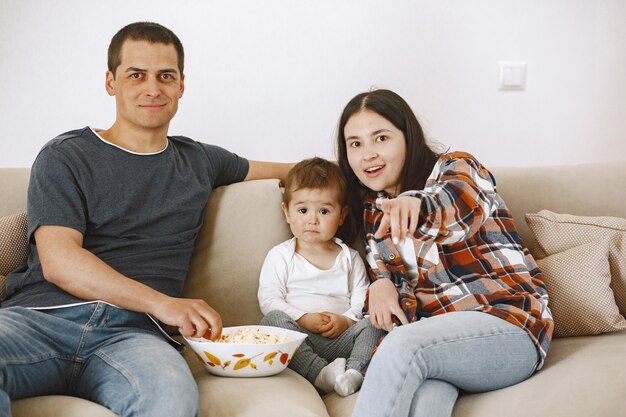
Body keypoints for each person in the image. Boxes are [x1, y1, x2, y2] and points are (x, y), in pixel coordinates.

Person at [0, 22, 292, 417]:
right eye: (136, 75)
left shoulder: (200, 161)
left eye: (165, 76)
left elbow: (301, 172)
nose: (152, 89)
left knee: (172, 400)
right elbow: (60, 262)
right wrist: (164, 304)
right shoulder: (65, 155)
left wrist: (395, 191)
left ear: (181, 86)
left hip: (134, 338)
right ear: (111, 82)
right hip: (40, 320)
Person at [335, 89, 554, 417]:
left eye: (381, 138)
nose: (368, 154)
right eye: (355, 143)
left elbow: (454, 207)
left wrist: (417, 204)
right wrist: (378, 285)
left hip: (509, 327)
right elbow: (390, 277)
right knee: (424, 403)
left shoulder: (458, 168)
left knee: (403, 344)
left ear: (408, 137)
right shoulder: (371, 212)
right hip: (443, 345)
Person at [258, 157, 385, 397]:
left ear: (341, 215)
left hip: (342, 338)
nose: (312, 219)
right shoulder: (281, 256)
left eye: (324, 211)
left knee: (375, 323)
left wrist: (346, 321)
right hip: (299, 337)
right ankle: (320, 373)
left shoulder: (350, 258)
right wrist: (304, 318)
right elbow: (269, 299)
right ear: (286, 212)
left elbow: (362, 299)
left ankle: (353, 373)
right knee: (272, 321)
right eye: (303, 210)